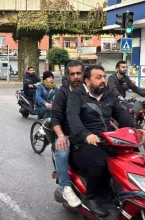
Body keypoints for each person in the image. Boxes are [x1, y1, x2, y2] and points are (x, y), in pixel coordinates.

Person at [67, 65, 145, 216]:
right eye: (98, 77)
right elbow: (73, 117)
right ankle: (91, 197)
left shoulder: (108, 94)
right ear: (87, 81)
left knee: (133, 157)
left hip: (107, 140)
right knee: (101, 162)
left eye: (103, 76)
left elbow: (121, 113)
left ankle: (132, 192)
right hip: (82, 143)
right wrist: (86, 135)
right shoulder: (77, 95)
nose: (103, 80)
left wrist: (138, 129)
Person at [51, 60, 84, 207]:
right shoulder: (62, 94)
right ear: (68, 76)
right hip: (68, 135)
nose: (76, 77)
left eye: (79, 73)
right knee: (62, 151)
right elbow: (55, 118)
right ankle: (65, 187)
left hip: (87, 134)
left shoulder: (88, 91)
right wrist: (61, 136)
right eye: (73, 74)